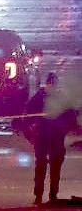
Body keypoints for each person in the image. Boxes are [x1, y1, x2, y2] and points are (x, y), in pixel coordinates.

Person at [25, 72, 78, 206]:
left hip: (49, 136)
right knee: (49, 166)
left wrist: (30, 131)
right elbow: (71, 117)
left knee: (45, 166)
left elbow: (28, 115)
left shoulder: (42, 97)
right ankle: (46, 195)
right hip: (48, 136)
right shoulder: (56, 98)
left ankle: (44, 195)